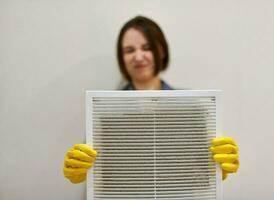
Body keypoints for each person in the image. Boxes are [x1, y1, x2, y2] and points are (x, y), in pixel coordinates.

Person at [63, 16, 239, 184]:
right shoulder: (106, 110)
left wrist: (215, 171)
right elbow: (98, 168)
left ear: (161, 51)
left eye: (147, 47)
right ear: (122, 58)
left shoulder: (192, 107)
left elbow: (197, 172)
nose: (138, 57)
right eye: (129, 50)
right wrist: (80, 169)